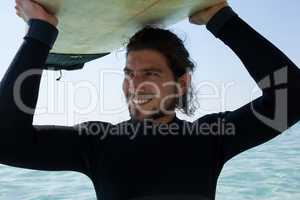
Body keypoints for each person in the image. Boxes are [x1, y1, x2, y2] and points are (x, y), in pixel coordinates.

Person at [1, 0, 299, 199]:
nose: (135, 85)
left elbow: (292, 97)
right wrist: (40, 34)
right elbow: (6, 142)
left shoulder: (210, 138)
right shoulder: (97, 142)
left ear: (181, 82)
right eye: (129, 73)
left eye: (150, 74)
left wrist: (222, 19)